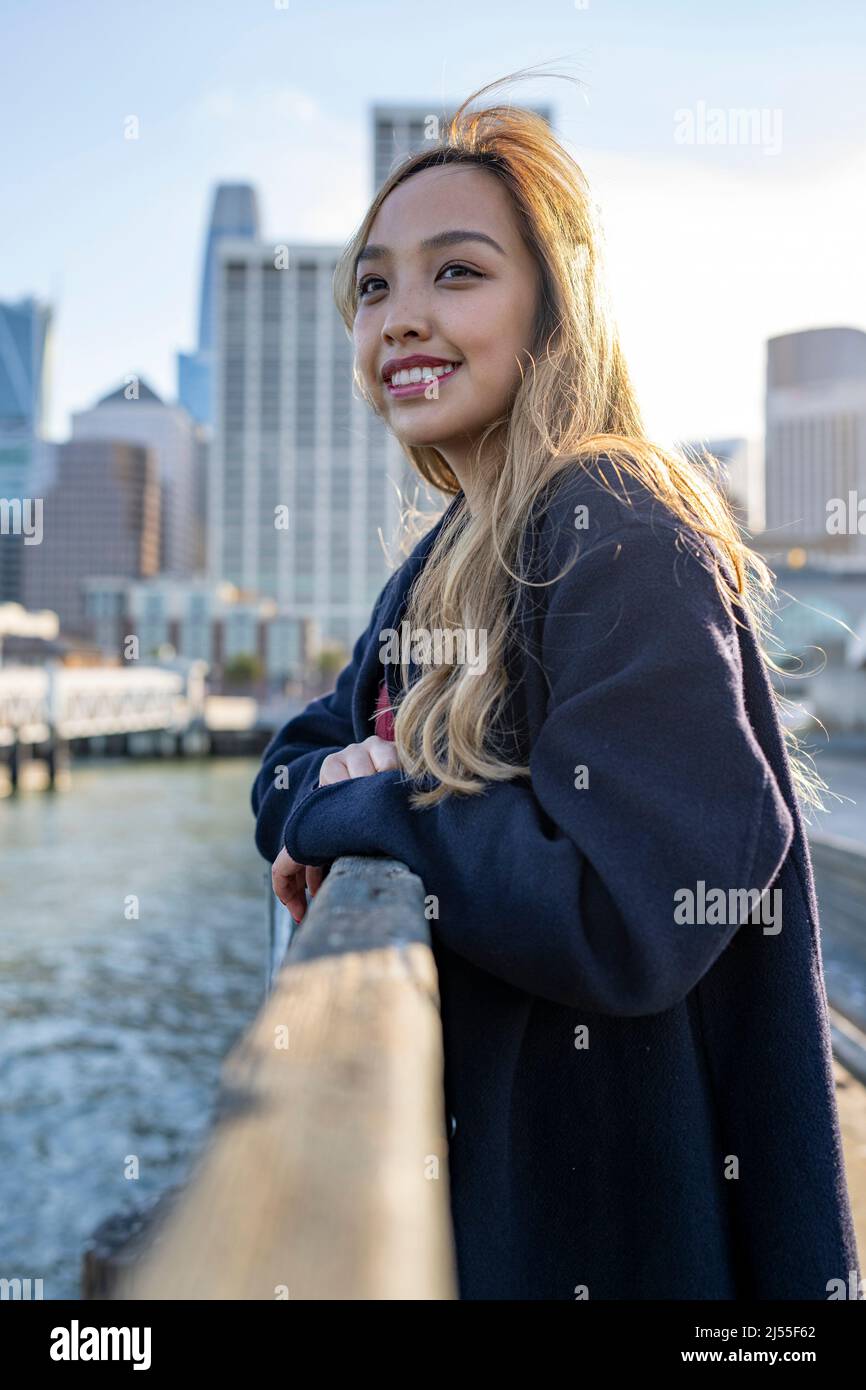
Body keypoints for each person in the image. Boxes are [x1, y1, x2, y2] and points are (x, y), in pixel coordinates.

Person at [251, 72, 860, 1300]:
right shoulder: (446, 558)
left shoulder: (613, 522)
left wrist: (370, 804)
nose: (399, 317)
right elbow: (292, 759)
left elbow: (632, 911)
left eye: (455, 272)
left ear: (553, 309)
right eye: (373, 286)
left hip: (627, 1236)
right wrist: (333, 786)